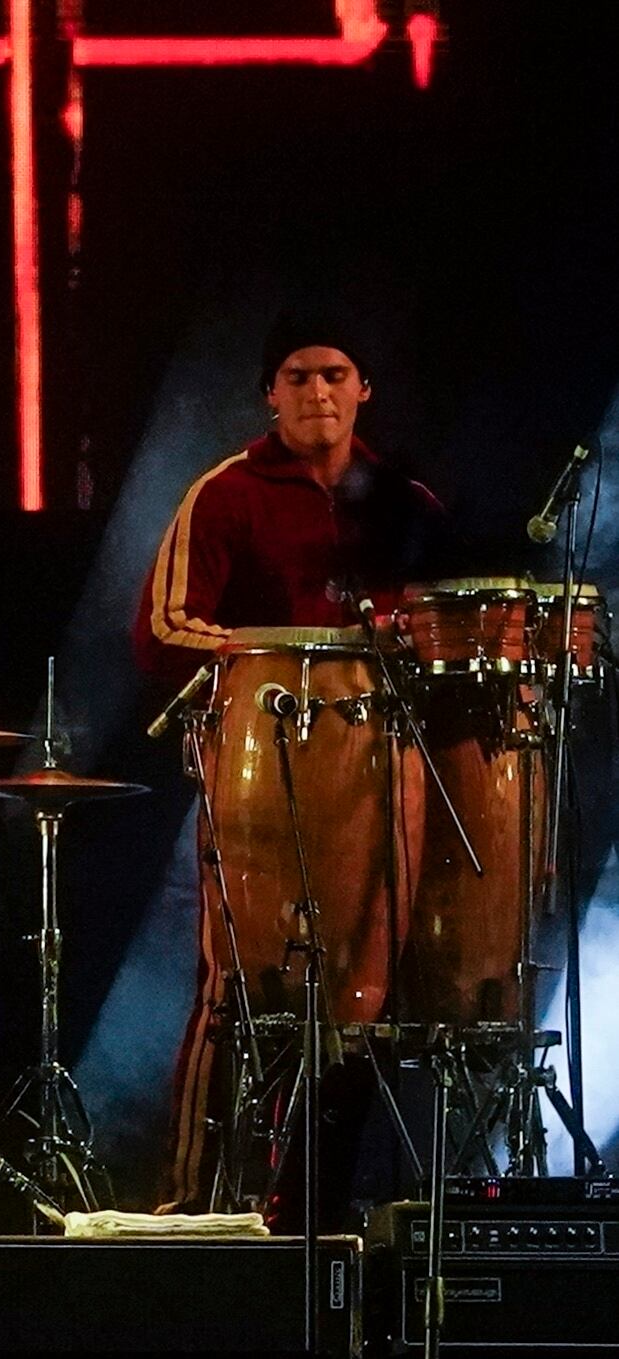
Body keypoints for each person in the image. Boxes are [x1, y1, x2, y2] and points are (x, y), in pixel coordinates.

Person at [135, 318, 445, 1216]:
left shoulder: (406, 504)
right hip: (261, 767)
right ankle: (185, 1204)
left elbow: (440, 628)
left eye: (334, 374)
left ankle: (316, 1204)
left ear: (362, 390)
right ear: (269, 393)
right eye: (298, 376)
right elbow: (159, 628)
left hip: (383, 769)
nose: (317, 393)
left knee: (367, 995)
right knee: (238, 978)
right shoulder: (227, 493)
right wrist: (263, 651)